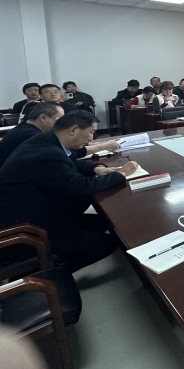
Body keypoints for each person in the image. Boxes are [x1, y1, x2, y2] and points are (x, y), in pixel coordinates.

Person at [0, 111, 138, 273]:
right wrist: (121, 174)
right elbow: (82, 187)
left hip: (35, 210)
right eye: (91, 132)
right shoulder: (48, 153)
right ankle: (49, 270)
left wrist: (96, 168)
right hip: (28, 227)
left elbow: (69, 164)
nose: (92, 138)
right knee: (107, 243)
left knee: (103, 222)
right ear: (73, 130)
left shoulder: (46, 141)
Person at [0, 103, 120, 168]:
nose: (64, 122)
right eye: (60, 118)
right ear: (43, 117)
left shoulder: (27, 129)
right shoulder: (31, 135)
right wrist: (103, 146)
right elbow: (65, 154)